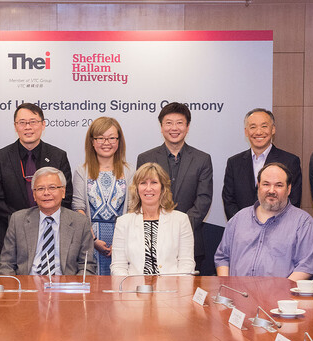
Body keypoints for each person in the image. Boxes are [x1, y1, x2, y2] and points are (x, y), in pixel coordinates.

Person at [0, 103, 73, 260]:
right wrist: (22, 223)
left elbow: (65, 196)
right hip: (11, 233)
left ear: (43, 124)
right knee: (11, 283)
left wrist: (43, 221)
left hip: (51, 232)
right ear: (15, 126)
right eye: (22, 122)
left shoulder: (58, 156)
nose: (28, 127)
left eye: (33, 122)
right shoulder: (1, 157)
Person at [136, 102, 212, 271]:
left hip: (191, 240)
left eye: (179, 123)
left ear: (188, 126)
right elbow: (143, 197)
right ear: (161, 126)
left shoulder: (202, 159)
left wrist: (179, 228)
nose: (174, 128)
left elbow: (203, 200)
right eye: (168, 123)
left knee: (188, 294)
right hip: (151, 240)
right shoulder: (145, 158)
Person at [215, 162, 313, 280]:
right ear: (258, 185)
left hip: (281, 296)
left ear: (289, 189)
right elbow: (222, 257)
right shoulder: (238, 219)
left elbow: (306, 267)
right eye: (266, 184)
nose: (271, 190)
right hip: (237, 294)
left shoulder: (303, 223)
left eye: (279, 185)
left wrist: (279, 293)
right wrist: (227, 285)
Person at [0, 167, 95, 276]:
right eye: (40, 189)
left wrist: (74, 289)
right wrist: (16, 289)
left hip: (65, 286)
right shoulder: (18, 220)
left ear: (63, 192)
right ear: (34, 195)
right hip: (27, 286)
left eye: (52, 187)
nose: (46, 193)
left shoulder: (80, 222)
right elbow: (6, 265)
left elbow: (87, 266)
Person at [110, 163, 194, 276]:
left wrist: (175, 289)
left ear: (163, 187)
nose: (148, 188)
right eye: (143, 183)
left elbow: (186, 263)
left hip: (171, 289)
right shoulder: (123, 222)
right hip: (134, 289)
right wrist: (128, 290)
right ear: (136, 188)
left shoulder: (181, 220)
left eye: (154, 182)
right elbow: (118, 265)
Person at [73, 117, 132, 275]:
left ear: (119, 141)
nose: (107, 142)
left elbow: (134, 209)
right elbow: (79, 208)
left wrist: (121, 242)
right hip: (90, 241)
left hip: (123, 241)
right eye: (101, 138)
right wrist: (93, 241)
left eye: (112, 137)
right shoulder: (82, 171)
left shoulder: (129, 172)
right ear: (92, 141)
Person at [222, 108, 301, 220]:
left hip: (278, 229)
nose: (258, 132)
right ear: (246, 132)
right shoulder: (234, 163)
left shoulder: (290, 161)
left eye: (264, 126)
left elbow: (293, 200)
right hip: (243, 230)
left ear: (273, 129)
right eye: (253, 127)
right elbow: (229, 200)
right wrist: (243, 224)